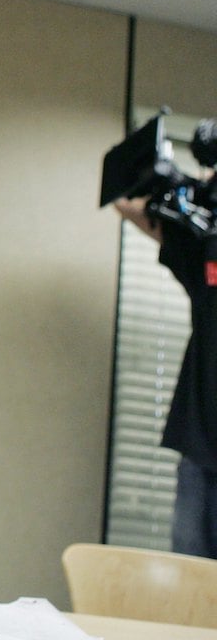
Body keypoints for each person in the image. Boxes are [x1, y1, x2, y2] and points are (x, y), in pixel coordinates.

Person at [113, 119, 217, 559]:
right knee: (191, 577)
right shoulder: (205, 253)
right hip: (202, 441)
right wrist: (194, 188)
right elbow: (126, 199)